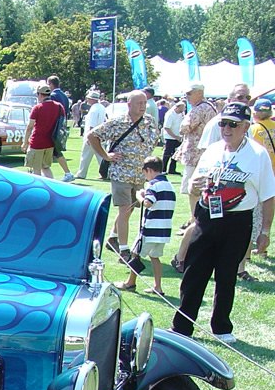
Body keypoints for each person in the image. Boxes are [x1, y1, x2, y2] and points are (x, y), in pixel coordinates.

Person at [172, 102, 275, 344]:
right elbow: (194, 184)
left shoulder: (258, 155)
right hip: (207, 216)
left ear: (245, 126)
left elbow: (268, 196)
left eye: (233, 124)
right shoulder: (213, 150)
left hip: (237, 220)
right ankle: (182, 326)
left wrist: (265, 231)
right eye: (223, 123)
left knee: (226, 275)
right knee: (194, 272)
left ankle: (221, 327)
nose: (226, 129)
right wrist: (194, 188)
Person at [88, 90, 160, 257]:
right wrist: (106, 155)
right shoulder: (118, 122)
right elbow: (93, 136)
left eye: (144, 103)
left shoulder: (149, 121)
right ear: (129, 105)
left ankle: (113, 238)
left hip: (139, 174)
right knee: (124, 210)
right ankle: (124, 249)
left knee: (131, 209)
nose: (143, 106)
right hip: (121, 173)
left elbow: (153, 140)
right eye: (139, 103)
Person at [116, 156, 175, 295]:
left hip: (150, 229)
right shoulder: (169, 184)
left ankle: (130, 283)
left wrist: (139, 196)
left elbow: (148, 203)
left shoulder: (152, 185)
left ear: (148, 170)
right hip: (164, 230)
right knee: (155, 257)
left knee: (135, 254)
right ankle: (158, 287)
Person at [249, 97, 275, 257]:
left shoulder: (254, 129)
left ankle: (252, 248)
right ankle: (264, 245)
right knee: (268, 212)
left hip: (262, 173)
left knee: (256, 212)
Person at [23, 84, 65, 178]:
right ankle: (51, 188)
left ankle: (37, 190)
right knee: (46, 167)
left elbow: (30, 126)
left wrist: (25, 142)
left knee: (36, 169)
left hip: (37, 142)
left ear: (40, 95)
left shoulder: (37, 108)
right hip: (51, 142)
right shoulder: (59, 107)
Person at [47, 75, 75, 181]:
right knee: (56, 151)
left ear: (51, 84)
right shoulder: (64, 96)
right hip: (61, 126)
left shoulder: (53, 95)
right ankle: (67, 173)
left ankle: (67, 173)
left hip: (54, 127)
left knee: (55, 151)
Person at [75, 90, 107, 180]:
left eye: (88, 98)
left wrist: (89, 137)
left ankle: (81, 173)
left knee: (85, 155)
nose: (87, 100)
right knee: (101, 155)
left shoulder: (94, 109)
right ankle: (105, 173)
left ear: (92, 99)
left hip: (92, 135)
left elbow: (92, 125)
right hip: (100, 135)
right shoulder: (101, 107)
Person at [161, 100, 185, 175]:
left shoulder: (181, 114)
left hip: (178, 137)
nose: (183, 110)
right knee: (167, 154)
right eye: (182, 108)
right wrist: (175, 136)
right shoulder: (170, 114)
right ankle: (163, 169)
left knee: (175, 154)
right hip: (170, 137)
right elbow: (167, 128)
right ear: (178, 107)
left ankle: (172, 169)